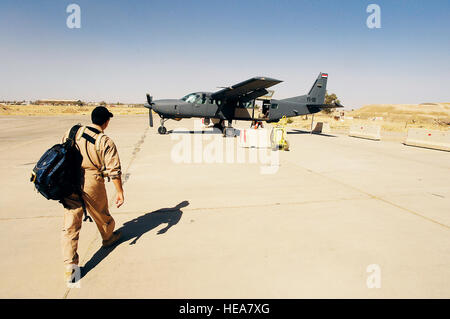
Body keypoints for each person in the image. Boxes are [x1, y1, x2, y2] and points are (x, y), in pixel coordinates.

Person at [61, 106, 124, 283]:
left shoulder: (72, 131)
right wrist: (119, 192)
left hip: (69, 180)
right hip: (91, 181)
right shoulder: (105, 141)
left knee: (70, 227)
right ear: (106, 122)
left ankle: (71, 271)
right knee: (102, 215)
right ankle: (108, 238)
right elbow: (114, 170)